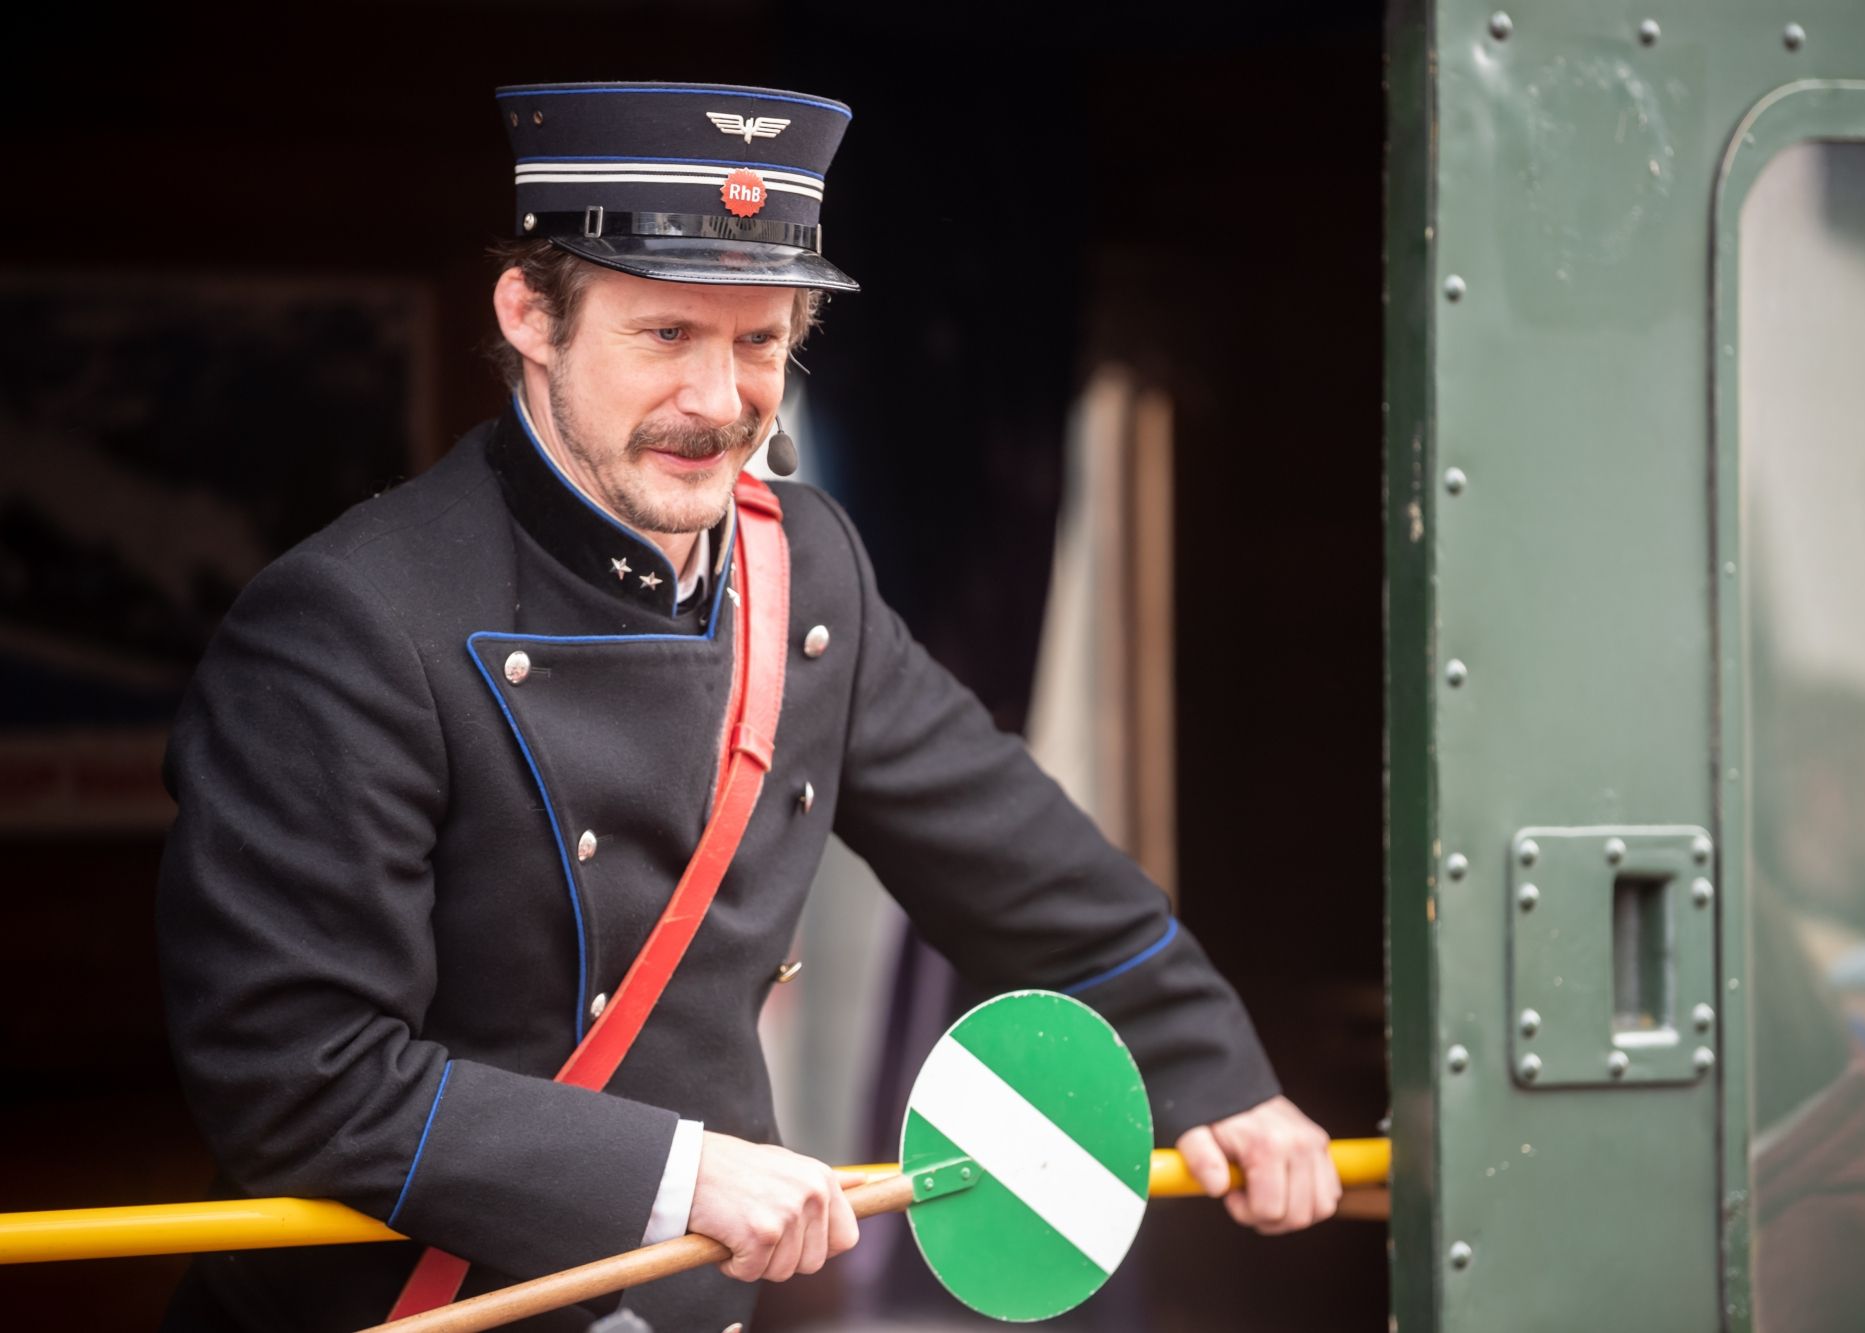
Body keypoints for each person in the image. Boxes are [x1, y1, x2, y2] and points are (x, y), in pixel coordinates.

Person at [155, 81, 1337, 1333]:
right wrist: (679, 1172)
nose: (721, 401)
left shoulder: (801, 565)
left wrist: (1211, 1070)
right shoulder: (343, 620)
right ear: (530, 317)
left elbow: (1012, 857)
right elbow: (299, 1079)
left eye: (760, 341)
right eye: (665, 334)